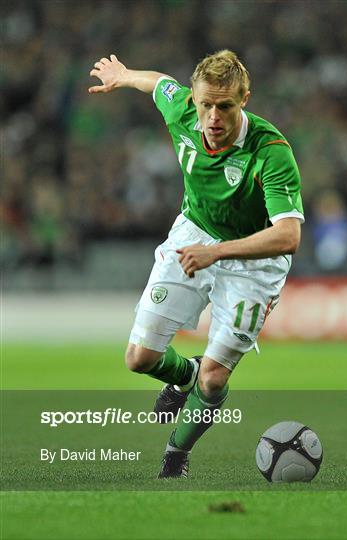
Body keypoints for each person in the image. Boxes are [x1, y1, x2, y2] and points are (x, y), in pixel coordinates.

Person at [89, 50, 304, 478]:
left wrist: (219, 252)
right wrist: (126, 74)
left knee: (214, 381)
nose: (213, 116)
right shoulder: (183, 108)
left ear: (244, 98)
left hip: (253, 262)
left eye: (225, 105)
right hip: (193, 235)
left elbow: (289, 236)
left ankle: (174, 459)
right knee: (139, 358)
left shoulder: (271, 151)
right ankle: (184, 374)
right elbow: (160, 83)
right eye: (206, 104)